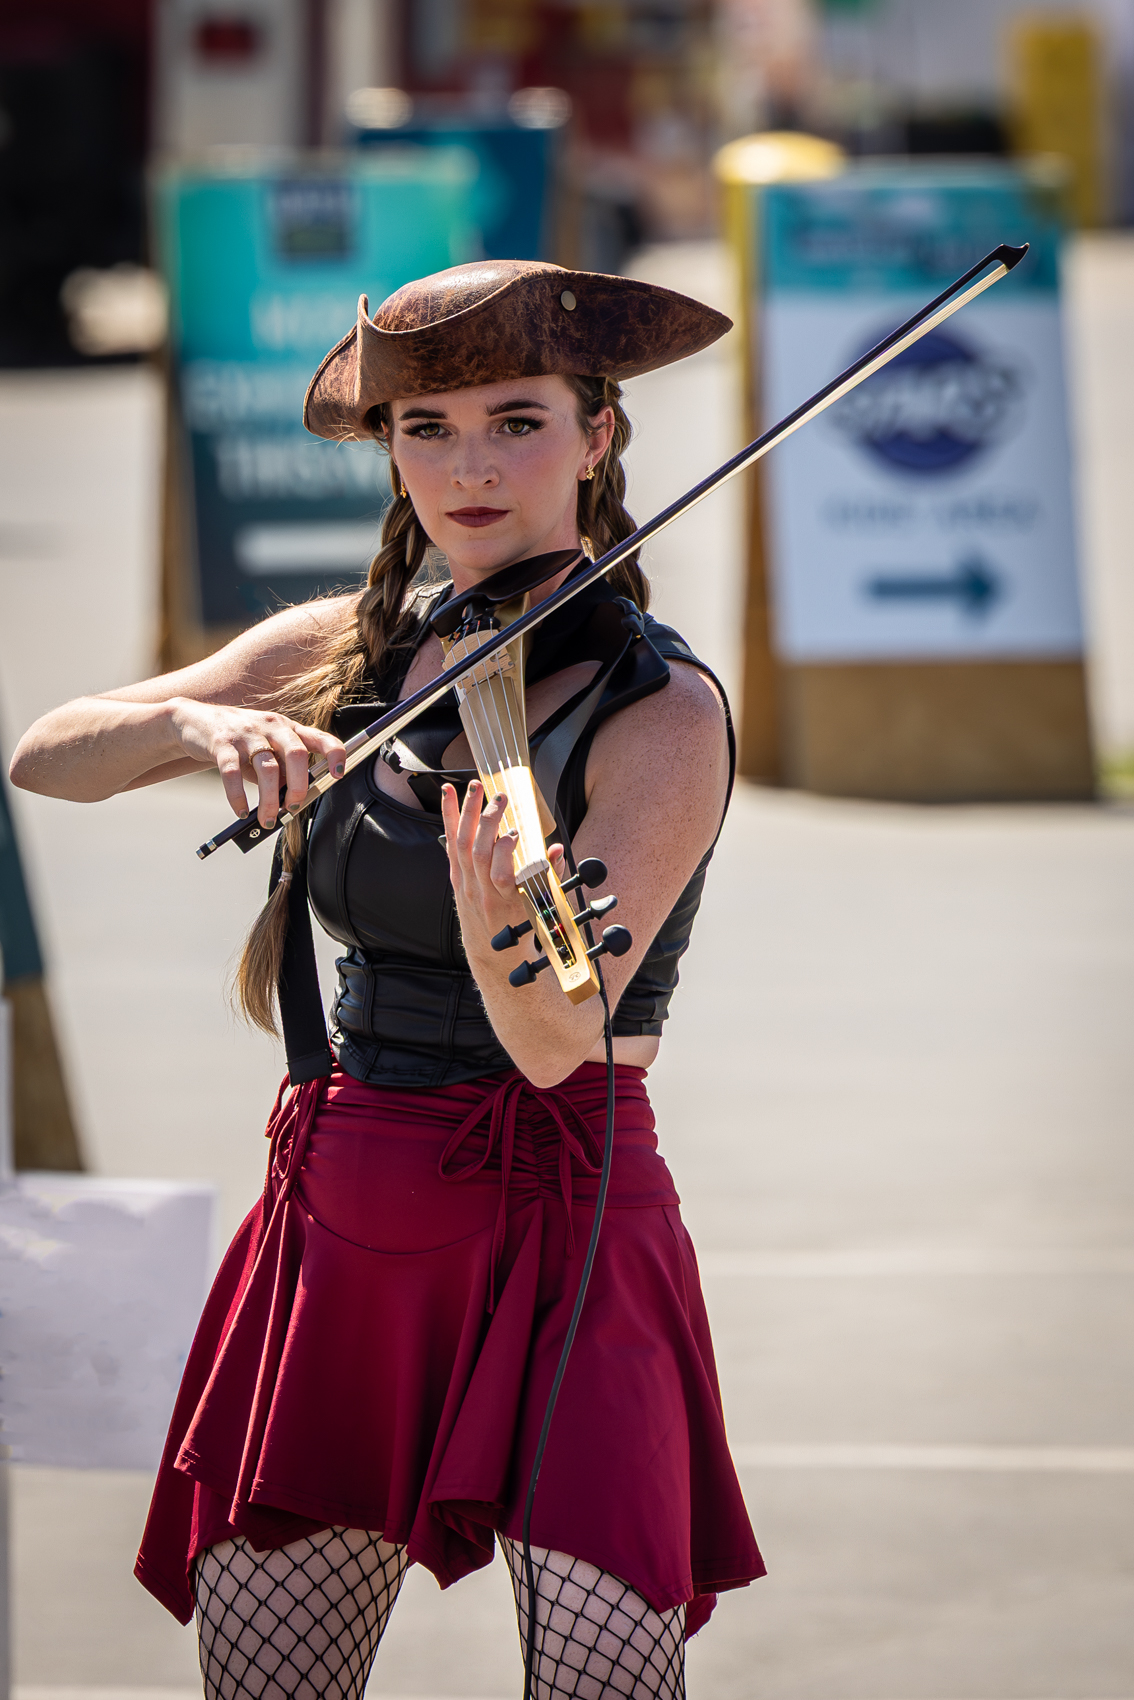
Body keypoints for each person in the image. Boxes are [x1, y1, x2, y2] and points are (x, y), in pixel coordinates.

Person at [10, 259, 764, 1699]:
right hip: (349, 1207)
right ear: (389, 449)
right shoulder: (349, 652)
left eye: (516, 419)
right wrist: (187, 724)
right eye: (427, 428)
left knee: (604, 1677)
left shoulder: (656, 712)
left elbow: (553, 1047)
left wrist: (500, 918)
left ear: (598, 438)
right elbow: (48, 754)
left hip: (568, 1209)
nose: (470, 466)